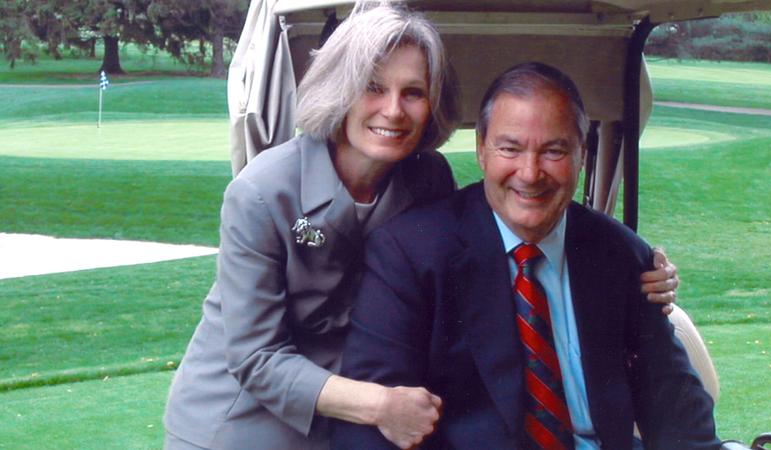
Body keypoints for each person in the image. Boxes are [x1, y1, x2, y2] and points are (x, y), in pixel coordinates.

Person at [163, 3, 680, 449]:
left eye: (413, 92)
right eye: (373, 87)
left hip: (360, 406)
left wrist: (634, 267)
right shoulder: (262, 193)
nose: (393, 110)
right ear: (341, 88)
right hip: (243, 419)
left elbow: (486, 245)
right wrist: (378, 403)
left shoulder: (427, 178)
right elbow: (256, 359)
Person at [331, 62, 719, 450]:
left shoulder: (621, 254)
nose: (530, 173)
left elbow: (677, 408)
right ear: (482, 149)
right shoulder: (410, 254)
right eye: (510, 148)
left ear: (581, 154)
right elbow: (369, 431)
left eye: (553, 150)